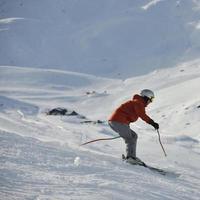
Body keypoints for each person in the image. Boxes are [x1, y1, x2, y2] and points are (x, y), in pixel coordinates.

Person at [108, 89, 159, 165]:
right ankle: (130, 158)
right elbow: (142, 115)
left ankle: (132, 156)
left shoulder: (138, 102)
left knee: (133, 136)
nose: (151, 102)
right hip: (118, 122)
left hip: (117, 122)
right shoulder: (138, 103)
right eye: (151, 99)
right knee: (130, 139)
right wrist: (152, 123)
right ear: (146, 97)